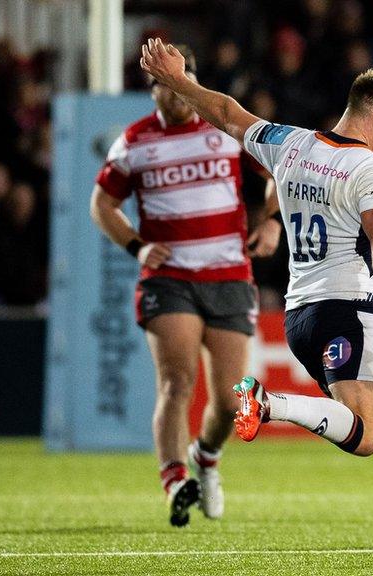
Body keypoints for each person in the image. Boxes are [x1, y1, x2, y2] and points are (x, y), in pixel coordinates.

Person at [140, 38, 373, 565]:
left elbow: (226, 114)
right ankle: (269, 403)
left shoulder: (291, 144)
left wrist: (177, 82)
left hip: (300, 318)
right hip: (350, 311)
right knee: (369, 436)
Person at [90, 44, 281, 527]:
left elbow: (278, 165)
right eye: (161, 85)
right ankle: (176, 479)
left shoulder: (223, 130)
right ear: (153, 92)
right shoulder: (134, 142)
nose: (171, 95)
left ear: (190, 84)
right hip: (170, 278)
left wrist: (273, 219)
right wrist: (136, 248)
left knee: (233, 398)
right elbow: (101, 204)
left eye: (179, 83)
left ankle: (207, 458)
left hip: (229, 274)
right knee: (176, 383)